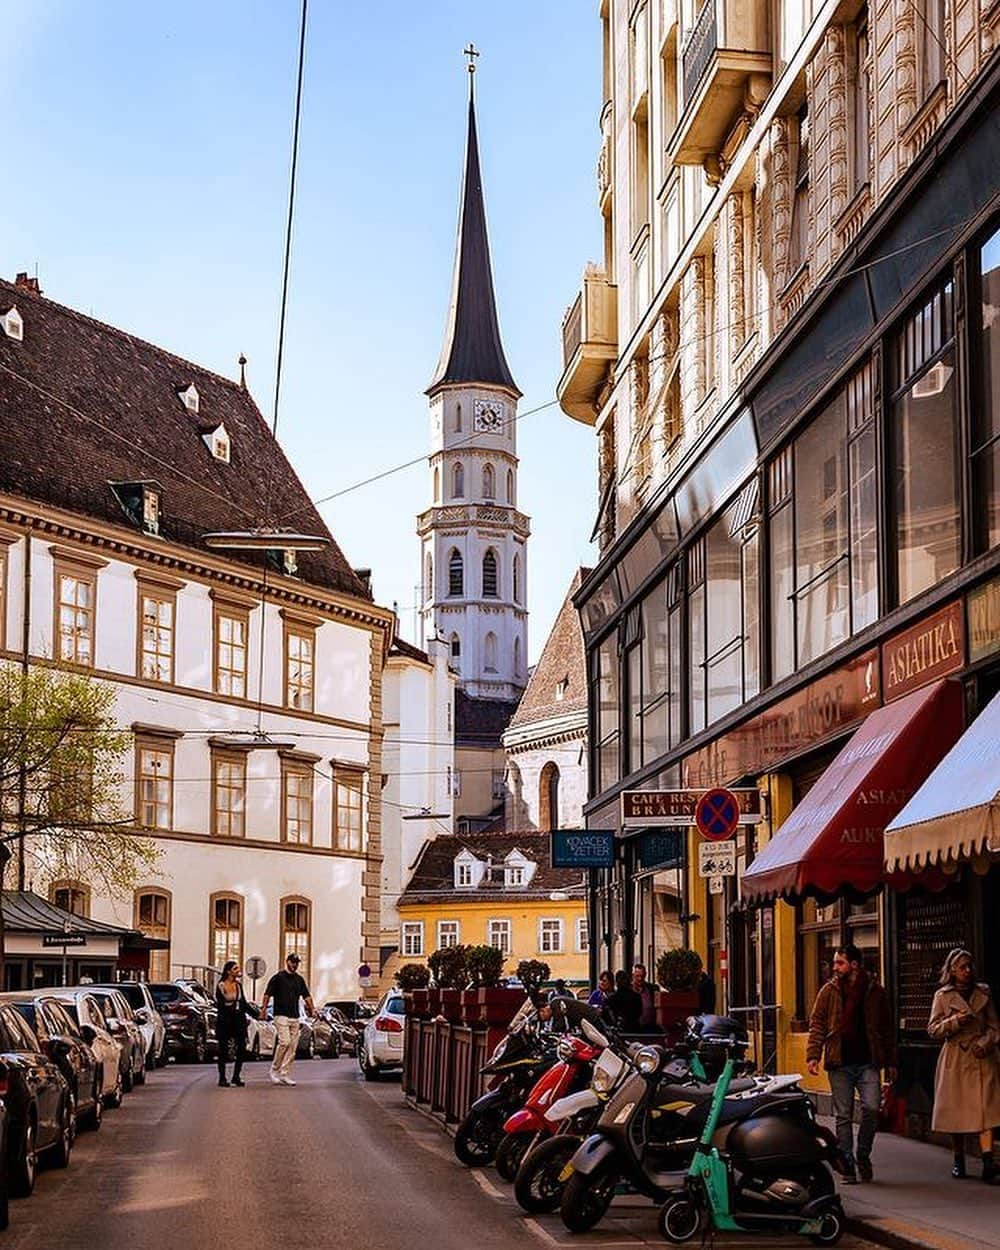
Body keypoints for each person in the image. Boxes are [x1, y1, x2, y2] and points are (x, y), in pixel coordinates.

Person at [806, 943, 897, 1184]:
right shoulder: (829, 991)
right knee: (843, 1116)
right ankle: (847, 1164)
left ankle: (863, 1154)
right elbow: (817, 1024)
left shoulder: (875, 991)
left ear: (854, 965)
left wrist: (891, 1062)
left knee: (872, 1108)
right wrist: (813, 1055)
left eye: (840, 963)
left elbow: (887, 1029)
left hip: (868, 1062)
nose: (835, 967)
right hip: (840, 1062)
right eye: (835, 963)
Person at [927, 947, 1000, 1183]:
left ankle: (988, 1162)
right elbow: (933, 1029)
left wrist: (986, 1043)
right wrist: (955, 1021)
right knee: (956, 1112)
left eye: (969, 966)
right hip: (956, 1057)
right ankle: (958, 1160)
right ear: (952, 971)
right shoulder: (942, 996)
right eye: (962, 967)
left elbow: (994, 1026)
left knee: (986, 1110)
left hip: (981, 1057)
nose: (967, 971)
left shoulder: (983, 993)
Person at [260, 952, 316, 1086]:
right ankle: (274, 1070)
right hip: (280, 1015)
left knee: (292, 1046)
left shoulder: (299, 980)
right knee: (285, 1042)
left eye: (296, 963)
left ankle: (285, 1073)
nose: (294, 965)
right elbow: (267, 994)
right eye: (292, 962)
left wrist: (312, 1009)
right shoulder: (278, 978)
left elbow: (306, 996)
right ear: (287, 962)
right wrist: (263, 1009)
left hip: (295, 1016)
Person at [215, 960, 253, 1087]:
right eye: (235, 969)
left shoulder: (238, 986)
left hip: (238, 1021)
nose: (238, 970)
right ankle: (222, 1078)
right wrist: (230, 1007)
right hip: (225, 1021)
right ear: (228, 971)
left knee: (242, 1047)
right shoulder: (221, 985)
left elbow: (244, 1003)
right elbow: (220, 1004)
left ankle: (236, 1076)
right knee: (223, 1050)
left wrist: (257, 1014)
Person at [603, 969, 642, 1033]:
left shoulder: (611, 999)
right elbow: (639, 1012)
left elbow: (606, 1017)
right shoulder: (636, 997)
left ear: (616, 983)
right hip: (635, 1029)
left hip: (618, 1031)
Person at [632, 962, 660, 1032]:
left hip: (650, 1028)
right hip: (633, 1029)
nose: (640, 979)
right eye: (637, 976)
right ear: (633, 975)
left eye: (642, 976)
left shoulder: (652, 989)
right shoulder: (628, 990)